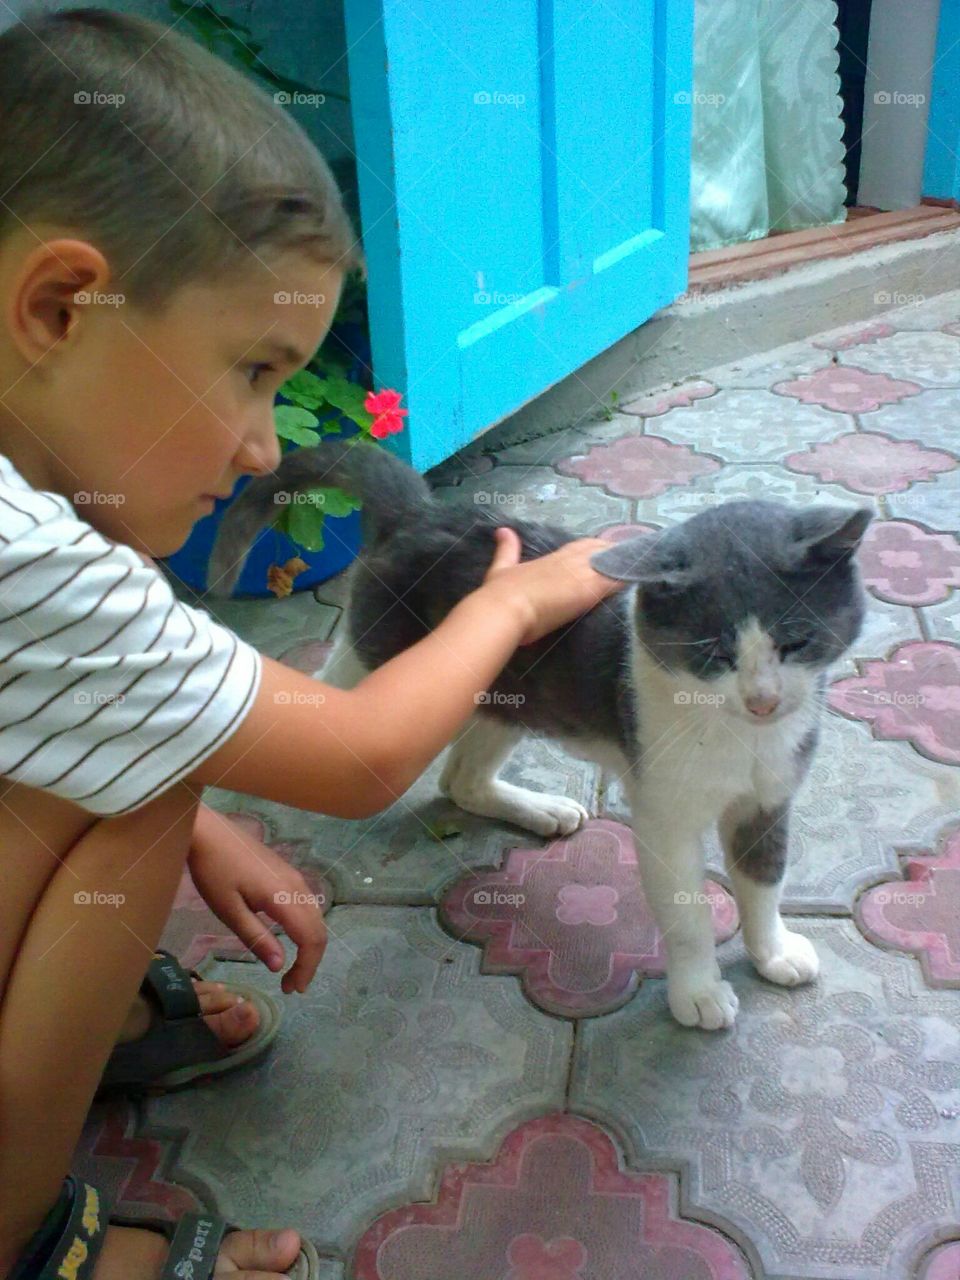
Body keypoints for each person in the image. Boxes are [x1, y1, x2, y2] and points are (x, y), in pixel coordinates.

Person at [0, 9, 625, 1279]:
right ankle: (27, 1233)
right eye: (250, 371)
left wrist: (202, 825)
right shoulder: (38, 559)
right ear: (63, 304)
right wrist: (510, 602)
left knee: (149, 752)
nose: (268, 446)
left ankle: (96, 1013)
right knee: (158, 754)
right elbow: (358, 758)